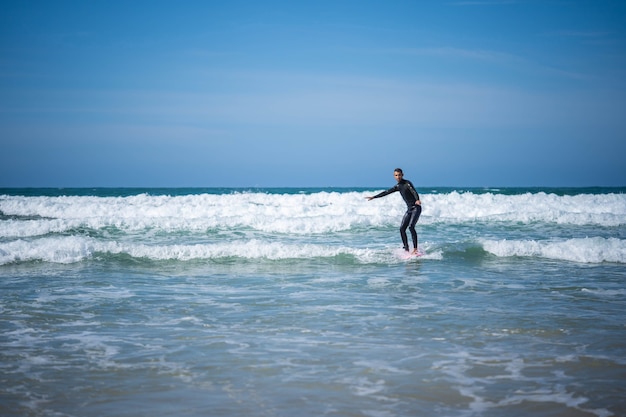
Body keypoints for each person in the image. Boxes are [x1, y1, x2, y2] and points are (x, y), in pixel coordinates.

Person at [367, 168, 422, 254]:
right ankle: (406, 248)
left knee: (411, 227)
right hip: (409, 209)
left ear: (402, 175)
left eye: (399, 175)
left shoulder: (407, 183)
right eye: (396, 175)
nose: (398, 177)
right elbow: (386, 192)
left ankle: (415, 249)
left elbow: (413, 191)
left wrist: (417, 199)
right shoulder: (398, 186)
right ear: (394, 176)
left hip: (416, 208)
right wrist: (374, 197)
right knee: (402, 229)